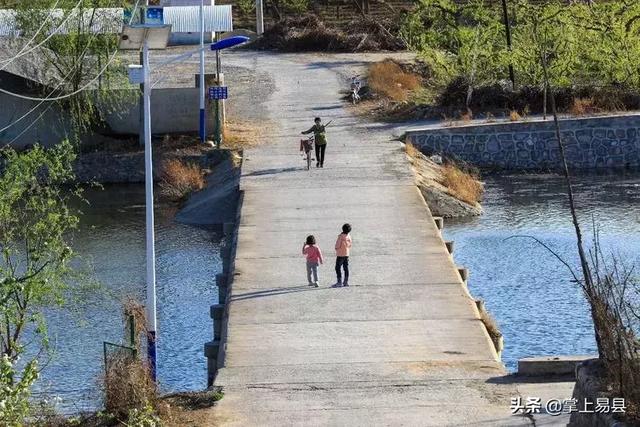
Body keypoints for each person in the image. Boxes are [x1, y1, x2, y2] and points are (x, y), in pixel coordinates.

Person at [333, 223, 352, 287]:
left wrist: (336, 248)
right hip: (346, 254)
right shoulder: (349, 236)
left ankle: (339, 282)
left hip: (340, 255)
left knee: (337, 268)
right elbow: (350, 245)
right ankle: (346, 282)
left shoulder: (340, 236)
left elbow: (337, 245)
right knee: (346, 268)